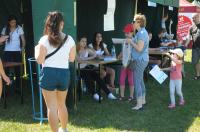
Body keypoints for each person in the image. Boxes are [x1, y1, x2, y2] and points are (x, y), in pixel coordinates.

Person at [35, 11, 76, 132]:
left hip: (48, 73)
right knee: (61, 104)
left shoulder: (43, 40)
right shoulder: (70, 39)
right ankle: (64, 129)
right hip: (64, 73)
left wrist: (36, 50)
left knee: (51, 107)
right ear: (61, 24)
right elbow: (72, 59)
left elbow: (39, 60)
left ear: (48, 24)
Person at [77, 36, 117, 101]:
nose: (84, 43)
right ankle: (94, 94)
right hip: (79, 69)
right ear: (79, 42)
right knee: (87, 75)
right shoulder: (76, 50)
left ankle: (109, 93)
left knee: (97, 76)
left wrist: (88, 58)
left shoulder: (86, 49)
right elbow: (79, 60)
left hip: (88, 68)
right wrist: (88, 59)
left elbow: (95, 55)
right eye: (82, 41)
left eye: (85, 41)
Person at [128, 14, 149, 110]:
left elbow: (139, 49)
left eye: (134, 21)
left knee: (137, 81)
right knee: (140, 80)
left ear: (139, 22)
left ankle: (139, 104)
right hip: (141, 59)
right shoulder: (141, 33)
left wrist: (131, 42)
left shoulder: (141, 33)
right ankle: (143, 101)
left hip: (140, 60)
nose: (132, 23)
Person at [1, 15, 26, 90]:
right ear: (9, 22)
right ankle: (5, 89)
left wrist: (22, 48)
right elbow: (1, 40)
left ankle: (18, 88)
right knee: (5, 70)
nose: (14, 23)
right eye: (12, 22)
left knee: (18, 70)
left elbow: (23, 40)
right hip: (7, 52)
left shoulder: (19, 28)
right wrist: (3, 40)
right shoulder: (5, 29)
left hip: (17, 51)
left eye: (15, 22)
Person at [118, 24, 134, 101]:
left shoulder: (133, 41)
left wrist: (126, 64)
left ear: (132, 33)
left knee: (130, 79)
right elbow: (124, 51)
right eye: (125, 33)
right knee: (121, 79)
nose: (126, 34)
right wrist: (119, 55)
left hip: (130, 63)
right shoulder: (124, 41)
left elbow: (130, 53)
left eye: (128, 33)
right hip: (124, 63)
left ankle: (131, 96)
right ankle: (122, 95)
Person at [185, 13, 200, 80]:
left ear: (198, 17)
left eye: (194, 17)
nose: (193, 19)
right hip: (195, 47)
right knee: (195, 62)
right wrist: (185, 45)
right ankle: (198, 75)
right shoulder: (191, 27)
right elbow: (189, 38)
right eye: (192, 18)